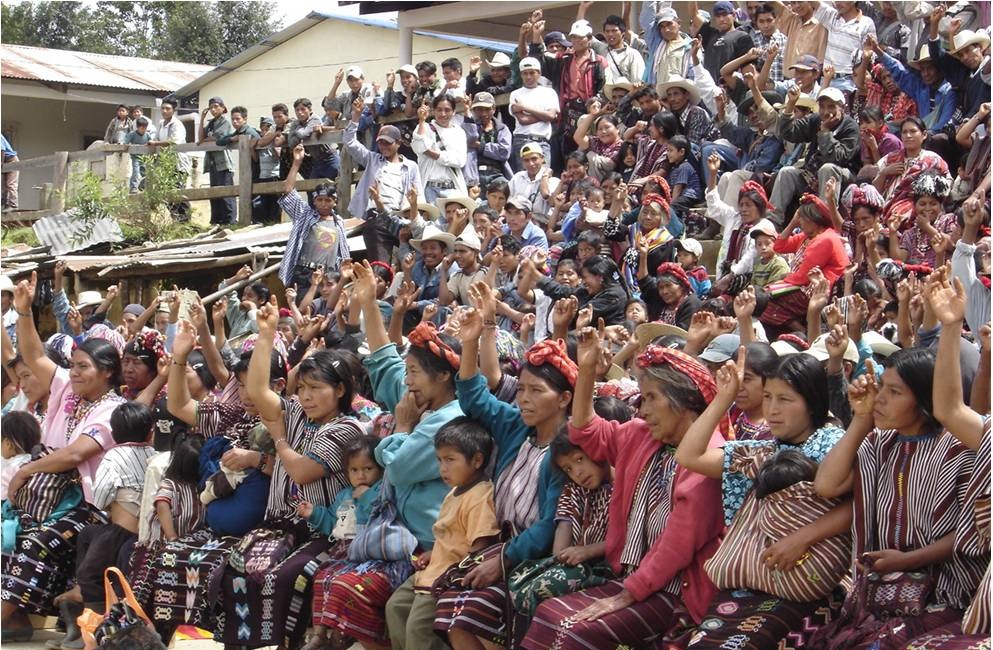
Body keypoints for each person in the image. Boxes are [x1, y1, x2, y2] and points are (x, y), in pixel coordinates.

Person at [522, 336, 726, 650]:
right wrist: (587, 370)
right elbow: (585, 431)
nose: (642, 411)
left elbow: (679, 543)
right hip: (631, 578)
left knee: (573, 630)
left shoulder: (710, 456)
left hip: (675, 592)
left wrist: (629, 592)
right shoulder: (640, 435)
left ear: (683, 400)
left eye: (651, 398)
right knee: (549, 614)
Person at [212, 303, 365, 648]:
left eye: (317, 388)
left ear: (340, 391)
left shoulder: (347, 428)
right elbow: (257, 391)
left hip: (323, 531)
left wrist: (279, 440)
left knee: (287, 578)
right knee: (236, 568)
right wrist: (266, 336)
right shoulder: (295, 413)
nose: (306, 396)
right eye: (303, 388)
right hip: (280, 525)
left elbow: (301, 471)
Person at [813, 348, 987, 649]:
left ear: (924, 400)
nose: (880, 399)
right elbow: (827, 484)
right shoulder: (881, 443)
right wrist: (862, 418)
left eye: (894, 392)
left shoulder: (958, 450)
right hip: (882, 585)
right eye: (881, 388)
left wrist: (908, 560)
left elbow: (969, 532)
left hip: (945, 590)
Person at [675, 352, 849, 649]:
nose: (773, 409)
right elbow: (688, 455)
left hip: (809, 583)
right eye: (768, 397)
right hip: (752, 581)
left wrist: (802, 538)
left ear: (812, 402)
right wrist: (722, 398)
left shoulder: (835, 448)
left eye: (785, 399)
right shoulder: (762, 452)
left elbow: (857, 505)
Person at [434, 284, 572, 648]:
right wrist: (470, 342)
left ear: (564, 400)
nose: (524, 399)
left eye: (536, 392)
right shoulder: (516, 426)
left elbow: (548, 524)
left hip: (530, 554)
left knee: (470, 615)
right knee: (451, 612)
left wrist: (504, 560)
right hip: (498, 545)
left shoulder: (567, 452)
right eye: (522, 389)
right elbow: (473, 396)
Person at [1, 272, 125, 640]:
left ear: (107, 372)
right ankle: (16, 620)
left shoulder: (113, 409)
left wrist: (27, 472)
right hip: (46, 497)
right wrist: (24, 312)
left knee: (38, 540)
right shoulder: (66, 393)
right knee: (9, 532)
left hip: (89, 505)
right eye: (72, 366)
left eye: (83, 367)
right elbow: (35, 355)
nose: (74, 373)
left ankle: (6, 612)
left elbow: (76, 454)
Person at [385, 417, 500, 650]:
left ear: (477, 459)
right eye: (439, 460)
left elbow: (481, 545)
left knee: (419, 626)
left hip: (448, 576)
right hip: (433, 567)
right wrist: (432, 552)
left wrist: (455, 575)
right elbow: (448, 536)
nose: (443, 468)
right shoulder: (456, 491)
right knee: (395, 608)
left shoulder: (480, 496)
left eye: (450, 460)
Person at [508, 431, 612, 617]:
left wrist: (587, 551)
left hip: (609, 569)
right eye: (568, 469)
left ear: (597, 450)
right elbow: (563, 531)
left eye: (579, 459)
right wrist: (563, 558)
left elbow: (627, 538)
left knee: (545, 596)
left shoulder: (624, 486)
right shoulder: (573, 490)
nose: (577, 473)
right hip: (577, 565)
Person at [304, 435, 385, 650]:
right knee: (321, 578)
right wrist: (314, 514)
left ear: (381, 469)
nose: (361, 475)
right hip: (342, 551)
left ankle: (343, 633)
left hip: (369, 552)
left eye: (367, 469)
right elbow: (333, 523)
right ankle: (319, 633)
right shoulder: (343, 496)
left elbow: (380, 516)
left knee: (342, 583)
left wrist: (366, 497)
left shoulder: (381, 491)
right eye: (354, 470)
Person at [344, 96, 423, 262]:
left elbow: (418, 195)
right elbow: (350, 142)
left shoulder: (411, 166)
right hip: (377, 218)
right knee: (380, 266)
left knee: (411, 260)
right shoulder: (372, 159)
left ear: (398, 143)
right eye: (381, 143)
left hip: (401, 219)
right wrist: (356, 117)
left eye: (388, 143)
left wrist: (415, 218)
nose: (383, 147)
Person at [769, 87, 861, 226]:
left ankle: (823, 220)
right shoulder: (816, 119)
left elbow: (838, 157)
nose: (825, 112)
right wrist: (791, 105)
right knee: (786, 172)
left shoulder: (850, 127)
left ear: (842, 107)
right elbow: (789, 133)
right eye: (822, 107)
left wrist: (824, 132)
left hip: (842, 176)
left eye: (831, 107)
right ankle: (772, 221)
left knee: (827, 168)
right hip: (813, 174)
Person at [760, 195, 849, 336]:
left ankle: (803, 332)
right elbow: (778, 246)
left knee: (763, 302)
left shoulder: (825, 239)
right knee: (762, 298)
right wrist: (792, 224)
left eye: (801, 217)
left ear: (813, 219)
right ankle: (798, 328)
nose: (799, 221)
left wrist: (782, 280)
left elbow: (803, 277)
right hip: (803, 286)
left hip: (820, 291)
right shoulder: (807, 236)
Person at [278, 143, 351, 296]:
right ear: (314, 200)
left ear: (335, 202)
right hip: (305, 274)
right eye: (320, 200)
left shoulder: (339, 223)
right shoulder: (305, 215)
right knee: (302, 311)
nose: (324, 204)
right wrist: (297, 162)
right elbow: (288, 191)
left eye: (328, 200)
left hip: (328, 277)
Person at [412, 94, 468, 203]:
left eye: (447, 110)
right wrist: (422, 120)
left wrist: (433, 153)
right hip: (429, 188)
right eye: (439, 110)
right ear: (433, 111)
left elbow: (460, 161)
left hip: (452, 188)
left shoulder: (459, 132)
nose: (443, 114)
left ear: (454, 111)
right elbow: (418, 148)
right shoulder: (425, 127)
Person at [508, 58, 559, 171]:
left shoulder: (549, 93)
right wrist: (544, 116)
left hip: (542, 141)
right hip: (522, 140)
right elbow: (523, 120)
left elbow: (550, 116)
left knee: (543, 177)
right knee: (523, 178)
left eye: (532, 73)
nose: (528, 77)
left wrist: (524, 107)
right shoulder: (515, 94)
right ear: (521, 75)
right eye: (525, 73)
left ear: (539, 73)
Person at [148, 98, 191, 221]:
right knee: (166, 192)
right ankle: (175, 218)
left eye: (168, 109)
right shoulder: (161, 124)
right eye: (163, 108)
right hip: (165, 164)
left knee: (178, 191)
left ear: (174, 110)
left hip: (178, 163)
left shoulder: (177, 124)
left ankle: (185, 220)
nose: (165, 111)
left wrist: (155, 143)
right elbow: (155, 138)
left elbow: (174, 141)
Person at [462, 91, 512, 191]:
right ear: (474, 110)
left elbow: (504, 152)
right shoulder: (470, 126)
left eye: (487, 109)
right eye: (479, 109)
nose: (483, 113)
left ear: (493, 109)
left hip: (496, 173)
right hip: (475, 175)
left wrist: (481, 146)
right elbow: (469, 140)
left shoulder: (502, 128)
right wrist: (467, 111)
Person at [198, 96, 236, 225]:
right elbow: (200, 137)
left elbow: (218, 138)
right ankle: (216, 221)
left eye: (216, 107)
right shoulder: (210, 124)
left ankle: (230, 221)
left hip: (224, 163)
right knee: (214, 192)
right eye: (211, 108)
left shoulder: (225, 123)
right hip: (212, 163)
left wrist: (205, 140)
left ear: (222, 108)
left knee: (226, 193)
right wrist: (202, 119)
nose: (213, 110)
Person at [124, 117, 153, 193]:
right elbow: (126, 142)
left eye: (145, 127)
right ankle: (133, 187)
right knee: (136, 172)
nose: (144, 129)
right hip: (135, 157)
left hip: (144, 157)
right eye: (142, 127)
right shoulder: (132, 134)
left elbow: (151, 142)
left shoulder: (147, 135)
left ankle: (142, 186)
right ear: (138, 127)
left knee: (145, 173)